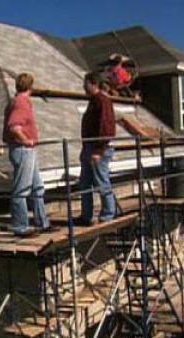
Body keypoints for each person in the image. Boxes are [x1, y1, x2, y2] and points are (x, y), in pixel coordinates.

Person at [3, 73, 54, 237]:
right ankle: (20, 226)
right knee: (22, 189)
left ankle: (42, 222)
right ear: (31, 87)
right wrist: (26, 140)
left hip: (26, 151)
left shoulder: (18, 101)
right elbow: (14, 126)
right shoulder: (21, 103)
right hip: (23, 150)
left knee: (37, 186)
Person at [75, 72, 117, 226]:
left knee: (101, 181)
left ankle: (108, 213)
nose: (83, 87)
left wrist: (99, 149)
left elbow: (106, 127)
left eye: (85, 84)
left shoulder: (102, 101)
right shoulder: (93, 101)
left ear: (93, 84)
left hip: (99, 148)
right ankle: (86, 215)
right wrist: (85, 148)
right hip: (89, 147)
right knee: (85, 183)